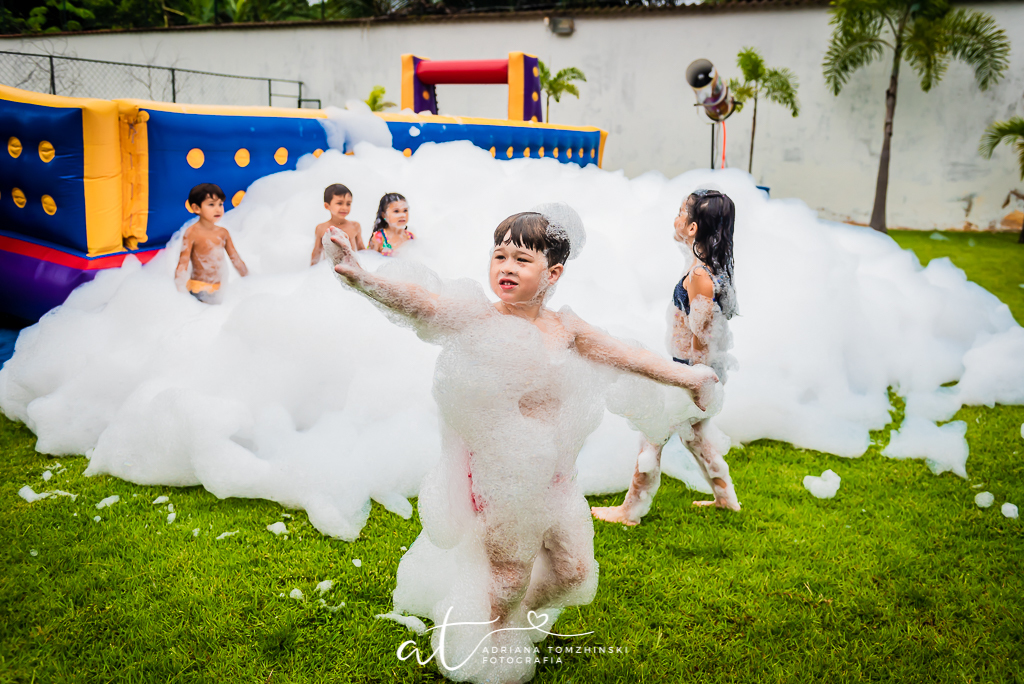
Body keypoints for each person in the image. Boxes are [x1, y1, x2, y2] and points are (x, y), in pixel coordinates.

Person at [323, 204, 718, 683]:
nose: (505, 267)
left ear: (553, 272)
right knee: (507, 577)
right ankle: (482, 639)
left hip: (553, 480)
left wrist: (686, 376)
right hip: (500, 479)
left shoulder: (566, 329)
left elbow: (628, 355)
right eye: (499, 256)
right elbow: (423, 302)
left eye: (521, 259)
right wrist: (365, 279)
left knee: (573, 572)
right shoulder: (480, 319)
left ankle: (509, 619)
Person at [592, 188, 741, 526]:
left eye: (680, 212)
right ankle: (725, 499)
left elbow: (702, 338)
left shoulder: (700, 277)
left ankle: (630, 510)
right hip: (698, 374)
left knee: (651, 433)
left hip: (692, 375)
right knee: (697, 438)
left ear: (692, 228)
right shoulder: (708, 270)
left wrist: (694, 382)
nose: (675, 218)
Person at [174, 183, 248, 304]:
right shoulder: (192, 233)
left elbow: (236, 259)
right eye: (211, 204)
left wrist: (249, 279)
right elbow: (183, 263)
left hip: (219, 289)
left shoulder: (223, 233)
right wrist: (179, 289)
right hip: (199, 289)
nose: (218, 209)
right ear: (197, 208)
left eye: (220, 204)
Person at [311, 183, 363, 265]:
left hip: (352, 267)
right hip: (327, 269)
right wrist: (311, 271)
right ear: (327, 206)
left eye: (348, 204)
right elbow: (316, 252)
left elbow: (362, 251)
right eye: (339, 203)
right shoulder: (321, 228)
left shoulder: (355, 226)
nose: (345, 208)